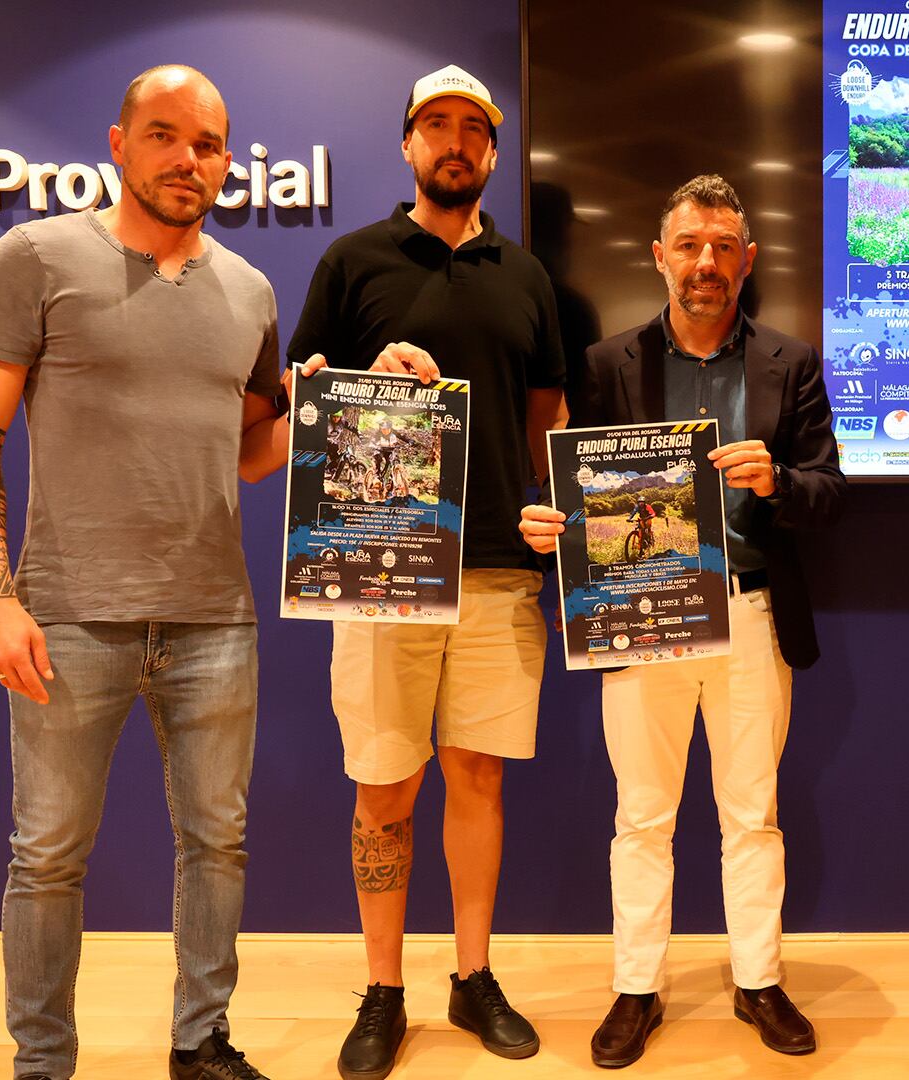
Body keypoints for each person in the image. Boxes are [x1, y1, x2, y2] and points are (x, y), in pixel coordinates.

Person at [0, 64, 304, 1080]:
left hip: (215, 617)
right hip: (68, 616)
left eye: (208, 144)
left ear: (227, 162)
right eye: (164, 135)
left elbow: (254, 454)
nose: (189, 159)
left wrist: (322, 407)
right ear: (118, 142)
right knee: (48, 856)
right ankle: (43, 1063)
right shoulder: (35, 258)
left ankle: (201, 1041)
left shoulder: (251, 291)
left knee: (217, 846)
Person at [518, 174, 845, 1069]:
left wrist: (779, 481)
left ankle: (759, 979)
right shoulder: (604, 365)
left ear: (749, 259)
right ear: (659, 257)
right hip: (641, 614)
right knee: (641, 816)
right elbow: (576, 492)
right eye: (691, 245)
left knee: (753, 815)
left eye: (724, 247)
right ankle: (637, 987)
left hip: (751, 611)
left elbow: (830, 493)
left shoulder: (791, 362)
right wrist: (550, 527)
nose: (707, 262)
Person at [285, 63, 566, 1080]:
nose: (455, 142)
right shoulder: (352, 261)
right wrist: (355, 384)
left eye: (473, 129)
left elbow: (549, 415)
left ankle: (472, 975)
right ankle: (384, 988)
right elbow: (298, 402)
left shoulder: (526, 275)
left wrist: (556, 504)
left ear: (491, 150)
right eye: (436, 125)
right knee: (385, 785)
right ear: (408, 142)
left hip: (499, 571)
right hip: (381, 571)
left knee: (478, 779)